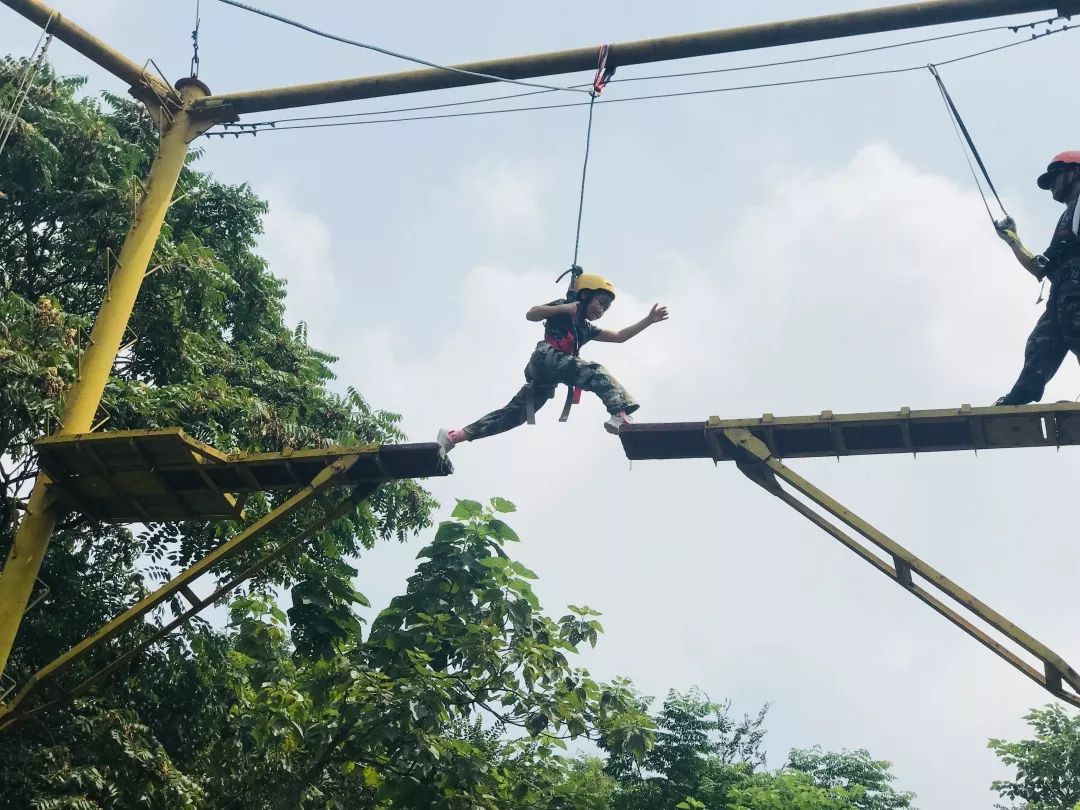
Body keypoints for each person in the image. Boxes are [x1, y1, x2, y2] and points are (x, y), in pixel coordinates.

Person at [437, 273, 669, 452]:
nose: (601, 310)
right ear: (585, 295)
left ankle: (455, 436)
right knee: (596, 372)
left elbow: (619, 337)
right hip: (546, 357)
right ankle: (620, 414)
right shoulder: (565, 309)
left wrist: (648, 320)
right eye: (600, 302)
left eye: (605, 308)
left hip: (549, 376)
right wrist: (564, 307)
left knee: (515, 414)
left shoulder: (585, 328)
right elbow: (532, 313)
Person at [994, 151, 1080, 406]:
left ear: (1075, 173)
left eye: (1055, 176)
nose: (1051, 184)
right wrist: (1013, 240)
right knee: (1041, 344)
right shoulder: (1067, 218)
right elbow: (1042, 269)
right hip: (1063, 294)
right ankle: (1021, 396)